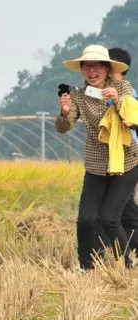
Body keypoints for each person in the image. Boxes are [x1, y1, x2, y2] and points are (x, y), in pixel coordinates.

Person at [58, 45, 138, 270]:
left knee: (109, 217)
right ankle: (86, 266)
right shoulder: (78, 96)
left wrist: (118, 100)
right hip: (96, 164)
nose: (92, 71)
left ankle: (124, 266)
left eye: (97, 66)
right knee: (86, 219)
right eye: (87, 66)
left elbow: (133, 117)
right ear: (82, 70)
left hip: (126, 161)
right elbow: (64, 127)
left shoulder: (121, 86)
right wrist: (64, 113)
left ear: (107, 68)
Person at [106, 47, 138, 256]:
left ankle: (130, 248)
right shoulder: (109, 91)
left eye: (105, 64)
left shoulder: (127, 95)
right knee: (124, 206)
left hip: (129, 157)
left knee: (123, 207)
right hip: (114, 158)